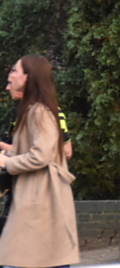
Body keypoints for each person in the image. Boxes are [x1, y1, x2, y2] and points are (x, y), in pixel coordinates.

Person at [0, 55, 80, 267]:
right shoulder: (32, 111)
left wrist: (6, 163)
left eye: (15, 70)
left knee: (26, 258)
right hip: (34, 195)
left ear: (29, 77)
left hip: (40, 198)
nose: (10, 76)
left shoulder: (39, 112)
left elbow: (41, 155)